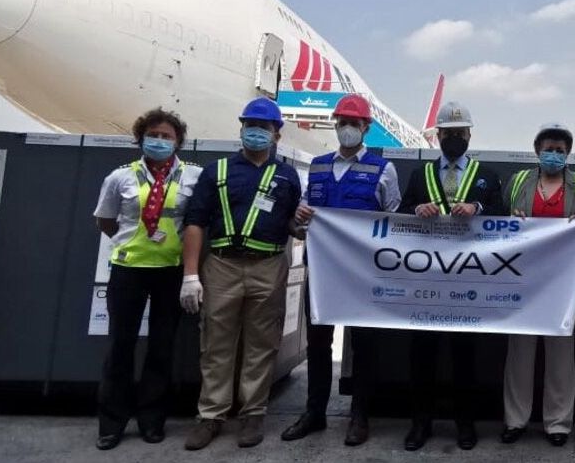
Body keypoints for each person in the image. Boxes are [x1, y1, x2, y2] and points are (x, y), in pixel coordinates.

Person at [179, 97, 303, 451]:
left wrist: (302, 226)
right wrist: (191, 276)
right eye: (251, 126)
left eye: (264, 128)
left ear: (277, 135)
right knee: (216, 342)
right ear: (241, 129)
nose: (256, 132)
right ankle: (211, 415)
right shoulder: (216, 171)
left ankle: (253, 413)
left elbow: (291, 222)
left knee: (262, 344)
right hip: (223, 265)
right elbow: (195, 222)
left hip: (269, 266)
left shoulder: (287, 176)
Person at [281, 94, 401, 447]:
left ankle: (359, 415)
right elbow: (301, 217)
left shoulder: (383, 169)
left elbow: (393, 220)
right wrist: (299, 216)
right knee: (318, 343)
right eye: (343, 122)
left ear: (366, 127)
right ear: (336, 125)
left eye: (354, 123)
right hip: (322, 270)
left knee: (364, 344)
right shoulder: (318, 166)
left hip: (364, 272)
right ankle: (314, 412)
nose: (347, 128)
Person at [92, 108, 202, 450]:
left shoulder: (193, 176)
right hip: (129, 269)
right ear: (141, 139)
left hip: (171, 270)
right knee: (120, 346)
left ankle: (152, 420)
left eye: (166, 136)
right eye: (153, 135)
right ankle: (111, 423)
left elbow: (197, 222)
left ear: (178, 142)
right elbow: (105, 221)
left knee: (162, 347)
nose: (159, 141)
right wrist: (130, 242)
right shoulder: (120, 177)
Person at [398, 101, 504, 451]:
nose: (454, 138)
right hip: (427, 279)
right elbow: (400, 213)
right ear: (438, 135)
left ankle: (465, 424)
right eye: (448, 133)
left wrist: (478, 208)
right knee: (422, 353)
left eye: (460, 133)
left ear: (469, 135)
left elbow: (503, 215)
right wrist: (417, 209)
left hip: (467, 280)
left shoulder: (487, 175)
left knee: (465, 355)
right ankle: (420, 423)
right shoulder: (420, 175)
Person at [500, 123, 575, 448]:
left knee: (561, 353)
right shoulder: (518, 182)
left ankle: (558, 423)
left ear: (567, 154)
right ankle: (515, 420)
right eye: (548, 149)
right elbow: (500, 223)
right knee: (519, 351)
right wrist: (511, 218)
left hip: (563, 283)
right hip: (523, 278)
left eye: (559, 150)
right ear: (537, 151)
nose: (553, 154)